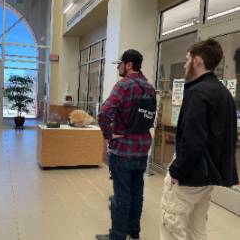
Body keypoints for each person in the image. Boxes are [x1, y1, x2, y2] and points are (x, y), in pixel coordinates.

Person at [160, 39, 239, 240]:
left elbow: (193, 141)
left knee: (172, 226)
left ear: (197, 61)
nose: (185, 65)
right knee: (197, 229)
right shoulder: (224, 93)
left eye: (187, 60)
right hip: (206, 177)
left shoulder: (197, 93)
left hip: (189, 176)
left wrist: (177, 170)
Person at [96, 49, 156, 240]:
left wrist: (108, 135)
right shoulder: (149, 87)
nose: (118, 67)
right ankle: (133, 231)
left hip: (123, 149)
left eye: (120, 63)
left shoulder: (123, 85)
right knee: (137, 193)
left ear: (129, 65)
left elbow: (104, 113)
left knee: (121, 195)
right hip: (143, 148)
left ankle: (117, 236)